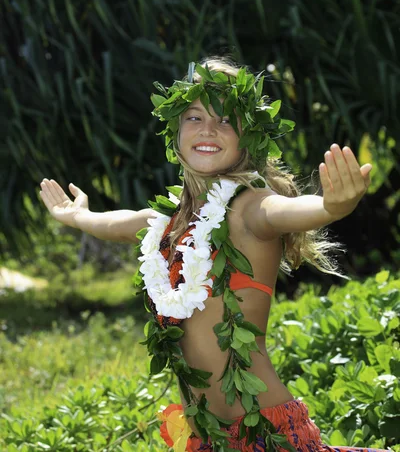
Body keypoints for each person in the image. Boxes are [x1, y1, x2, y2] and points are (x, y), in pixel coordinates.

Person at [39, 57, 387, 452]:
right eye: (194, 117)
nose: (209, 129)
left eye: (226, 120)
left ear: (248, 137)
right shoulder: (169, 222)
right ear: (175, 130)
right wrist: (79, 216)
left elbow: (287, 211)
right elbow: (119, 223)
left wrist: (332, 207)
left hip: (263, 435)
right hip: (206, 438)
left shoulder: (249, 208)